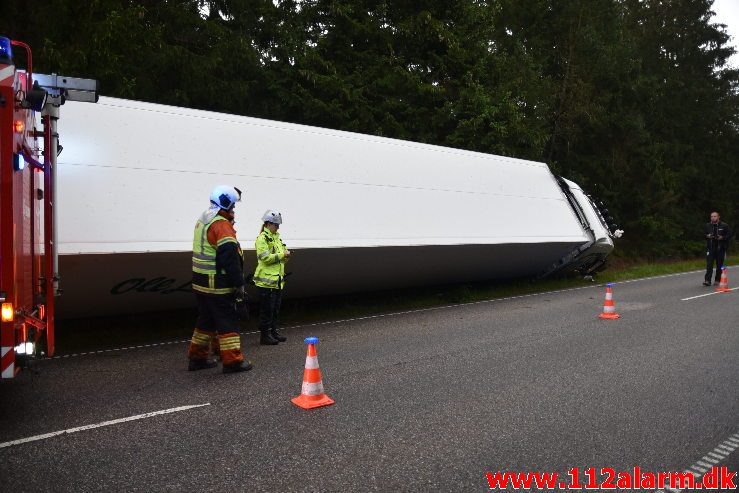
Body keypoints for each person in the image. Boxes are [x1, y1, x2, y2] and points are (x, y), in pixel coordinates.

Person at [187, 185, 253, 373]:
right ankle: (232, 361)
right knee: (228, 321)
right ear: (226, 203)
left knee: (205, 321)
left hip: (200, 284)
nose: (233, 209)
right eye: (233, 206)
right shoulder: (221, 225)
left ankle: (197, 358)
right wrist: (239, 284)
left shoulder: (203, 219)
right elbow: (229, 258)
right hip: (217, 284)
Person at [254, 210, 291, 345]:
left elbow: (281, 258)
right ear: (268, 224)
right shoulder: (262, 239)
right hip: (266, 282)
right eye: (276, 225)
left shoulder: (276, 238)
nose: (278, 228)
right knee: (267, 310)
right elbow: (264, 258)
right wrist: (282, 255)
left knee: (275, 309)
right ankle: (265, 336)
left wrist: (286, 256)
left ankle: (273, 332)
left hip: (277, 281)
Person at [703, 211, 732, 286]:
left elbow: (729, 235)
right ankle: (707, 280)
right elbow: (704, 235)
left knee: (719, 265)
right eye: (712, 216)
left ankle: (717, 280)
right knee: (709, 265)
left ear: (718, 217)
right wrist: (708, 236)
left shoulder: (724, 225)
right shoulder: (707, 225)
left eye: (714, 216)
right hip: (710, 248)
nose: (713, 218)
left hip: (720, 248)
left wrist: (722, 237)